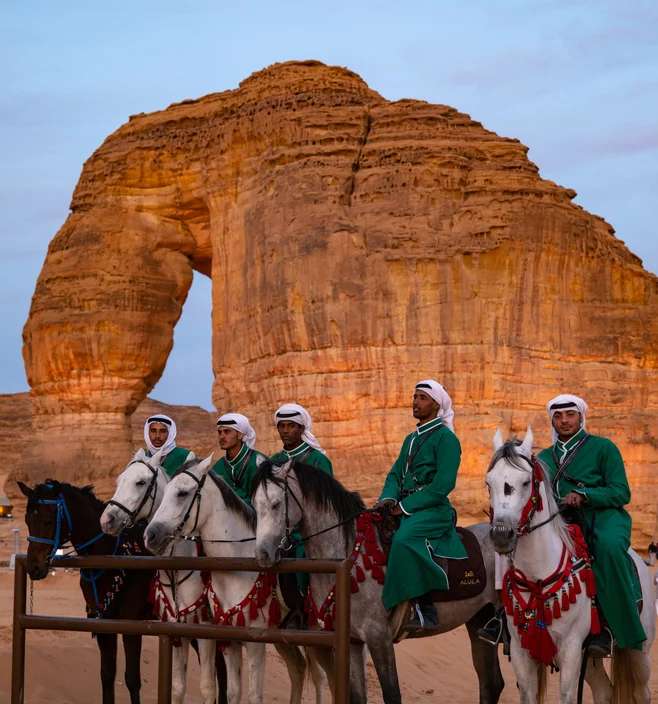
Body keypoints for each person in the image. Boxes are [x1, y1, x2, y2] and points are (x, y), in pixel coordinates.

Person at [537, 393, 646, 655]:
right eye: (558, 416)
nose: (564, 421)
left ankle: (611, 628)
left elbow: (621, 492)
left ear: (581, 417)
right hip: (560, 520)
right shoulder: (543, 456)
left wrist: (586, 496)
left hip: (603, 517)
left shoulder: (603, 447)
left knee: (606, 548)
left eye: (570, 415)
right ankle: (505, 621)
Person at [373, 379, 466, 630]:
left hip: (433, 509)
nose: (415, 402)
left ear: (436, 405)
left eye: (422, 398)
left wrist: (404, 508)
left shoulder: (447, 439)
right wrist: (388, 498)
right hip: (403, 505)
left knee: (404, 539)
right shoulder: (410, 439)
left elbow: (442, 485)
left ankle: (423, 607)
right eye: (414, 397)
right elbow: (395, 474)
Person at [211, 413, 267, 503]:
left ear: (240, 435)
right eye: (219, 432)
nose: (221, 436)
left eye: (227, 431)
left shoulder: (259, 463)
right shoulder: (217, 468)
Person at [270, 403, 333, 475]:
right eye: (282, 426)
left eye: (291, 426)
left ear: (302, 429)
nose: (285, 431)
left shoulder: (318, 460)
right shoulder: (274, 460)